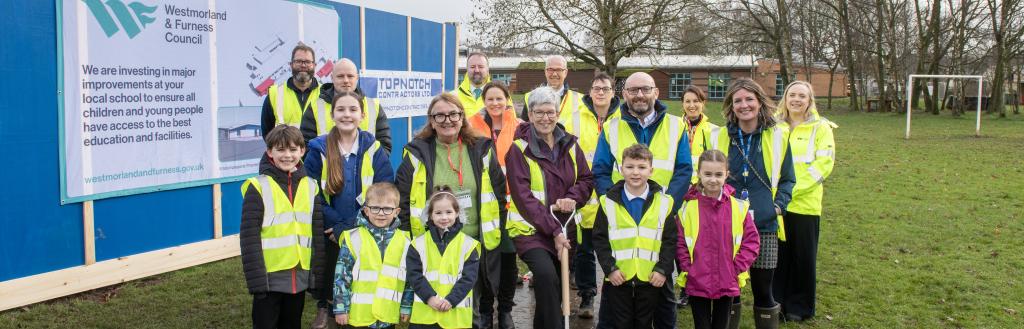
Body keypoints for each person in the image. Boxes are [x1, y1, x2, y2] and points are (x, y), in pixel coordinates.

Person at [395, 93, 507, 328]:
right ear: (431, 121)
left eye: (453, 114)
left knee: (471, 311)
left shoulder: (482, 149)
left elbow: (497, 194)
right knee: (433, 311)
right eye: (440, 115)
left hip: (474, 245)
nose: (447, 120)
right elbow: (403, 200)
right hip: (433, 247)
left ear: (462, 117)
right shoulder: (417, 153)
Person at [591, 72, 691, 329]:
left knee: (661, 291)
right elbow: (600, 170)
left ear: (656, 92)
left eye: (645, 89)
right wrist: (610, 202)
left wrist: (668, 204)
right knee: (615, 300)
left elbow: (683, 169)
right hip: (622, 216)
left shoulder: (675, 125)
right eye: (633, 90)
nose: (639, 95)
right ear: (624, 94)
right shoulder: (612, 126)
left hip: (661, 214)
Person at [705, 78, 796, 329]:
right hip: (726, 224)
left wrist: (777, 207)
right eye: (738, 101)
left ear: (759, 102)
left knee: (763, 289)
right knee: (729, 288)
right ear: (730, 106)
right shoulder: (717, 136)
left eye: (749, 99)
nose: (744, 105)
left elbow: (788, 179)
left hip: (764, 225)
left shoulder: (778, 135)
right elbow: (702, 175)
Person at [304, 91, 395, 329]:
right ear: (332, 115)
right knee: (334, 286)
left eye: (353, 110)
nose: (347, 114)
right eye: (341, 110)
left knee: (362, 284)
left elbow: (385, 189)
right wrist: (336, 225)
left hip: (364, 230)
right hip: (329, 234)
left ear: (362, 115)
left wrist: (350, 225)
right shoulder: (317, 150)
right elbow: (310, 194)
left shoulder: (374, 149)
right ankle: (330, 314)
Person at [505, 87, 594, 329]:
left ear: (557, 114)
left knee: (553, 288)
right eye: (539, 112)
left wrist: (572, 198)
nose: (546, 118)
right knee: (546, 277)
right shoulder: (518, 149)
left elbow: (586, 180)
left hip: (566, 229)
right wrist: (554, 230)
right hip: (531, 231)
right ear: (530, 115)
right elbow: (523, 198)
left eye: (550, 112)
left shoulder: (571, 146)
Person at [240, 125, 325, 329]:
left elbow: (317, 237)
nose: (287, 155)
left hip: (299, 278)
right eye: (280, 150)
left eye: (293, 150)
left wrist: (316, 277)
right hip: (268, 281)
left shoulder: (311, 186)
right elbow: (249, 240)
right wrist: (257, 282)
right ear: (270, 152)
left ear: (302, 151)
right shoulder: (257, 187)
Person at [591, 144, 678, 328]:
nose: (635, 173)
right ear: (621, 170)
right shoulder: (608, 202)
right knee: (621, 324)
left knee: (645, 323)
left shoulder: (664, 203)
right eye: (630, 167)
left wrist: (662, 270)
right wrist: (610, 269)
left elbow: (670, 241)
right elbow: (600, 240)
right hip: (619, 277)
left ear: (651, 170)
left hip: (651, 278)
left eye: (641, 167)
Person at [771, 81, 836, 322]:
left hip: (805, 204)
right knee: (777, 258)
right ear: (785, 98)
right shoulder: (773, 125)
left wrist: (791, 192)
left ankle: (799, 306)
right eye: (792, 95)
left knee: (803, 257)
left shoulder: (821, 127)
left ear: (810, 101)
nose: (796, 100)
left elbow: (824, 165)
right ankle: (775, 303)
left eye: (802, 96)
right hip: (777, 204)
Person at [560, 72, 621, 318]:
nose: (600, 93)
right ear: (590, 91)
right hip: (584, 193)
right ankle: (587, 296)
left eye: (605, 89)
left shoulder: (623, 118)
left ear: (613, 92)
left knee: (613, 250)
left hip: (614, 194)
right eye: (596, 88)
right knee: (584, 251)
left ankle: (613, 296)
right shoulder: (574, 117)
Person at [677, 149, 760, 329]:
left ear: (726, 175)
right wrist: (688, 267)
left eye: (718, 174)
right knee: (702, 325)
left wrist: (736, 267)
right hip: (697, 277)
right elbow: (680, 241)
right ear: (698, 173)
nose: (713, 179)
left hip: (727, 278)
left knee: (722, 325)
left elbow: (751, 241)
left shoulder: (738, 207)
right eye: (707, 174)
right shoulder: (688, 207)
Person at [466, 81, 520, 329]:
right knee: (487, 259)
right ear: (484, 101)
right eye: (491, 99)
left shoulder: (520, 127)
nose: (495, 103)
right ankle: (486, 309)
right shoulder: (471, 126)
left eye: (500, 98)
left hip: (513, 203)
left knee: (508, 259)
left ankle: (506, 309)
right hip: (485, 202)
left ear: (507, 99)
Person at [333, 182, 413, 329]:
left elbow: (409, 279)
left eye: (387, 209)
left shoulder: (406, 242)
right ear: (366, 211)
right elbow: (342, 276)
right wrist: (341, 308)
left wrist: (406, 305)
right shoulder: (353, 238)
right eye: (375, 208)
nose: (381, 213)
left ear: (396, 211)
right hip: (358, 316)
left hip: (387, 316)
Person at [406, 186, 481, 329]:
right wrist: (430, 298)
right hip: (425, 316)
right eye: (438, 213)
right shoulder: (417, 244)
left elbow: (469, 278)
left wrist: (451, 300)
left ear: (457, 212)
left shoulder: (469, 244)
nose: (444, 217)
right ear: (430, 215)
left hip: (455, 316)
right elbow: (414, 275)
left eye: (449, 212)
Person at [303, 58, 392, 151]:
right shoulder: (315, 107)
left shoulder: (374, 106)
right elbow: (305, 145)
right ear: (332, 78)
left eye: (350, 76)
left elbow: (384, 145)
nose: (346, 80)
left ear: (357, 78)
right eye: (340, 76)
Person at [262, 43, 320, 138]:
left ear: (314, 65)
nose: (303, 65)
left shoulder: (326, 94)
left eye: (308, 62)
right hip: (287, 152)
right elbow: (267, 133)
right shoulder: (275, 94)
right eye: (298, 61)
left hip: (318, 152)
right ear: (291, 64)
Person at [456, 52, 511, 118]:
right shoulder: (454, 96)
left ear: (487, 69)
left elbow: (511, 124)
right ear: (467, 69)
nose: (476, 70)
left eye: (481, 67)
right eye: (472, 67)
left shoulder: (502, 95)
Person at [682, 85, 718, 185]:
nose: (692, 105)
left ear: (703, 103)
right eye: (687, 101)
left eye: (696, 101)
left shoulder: (714, 131)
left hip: (704, 186)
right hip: (678, 185)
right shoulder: (674, 127)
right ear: (683, 104)